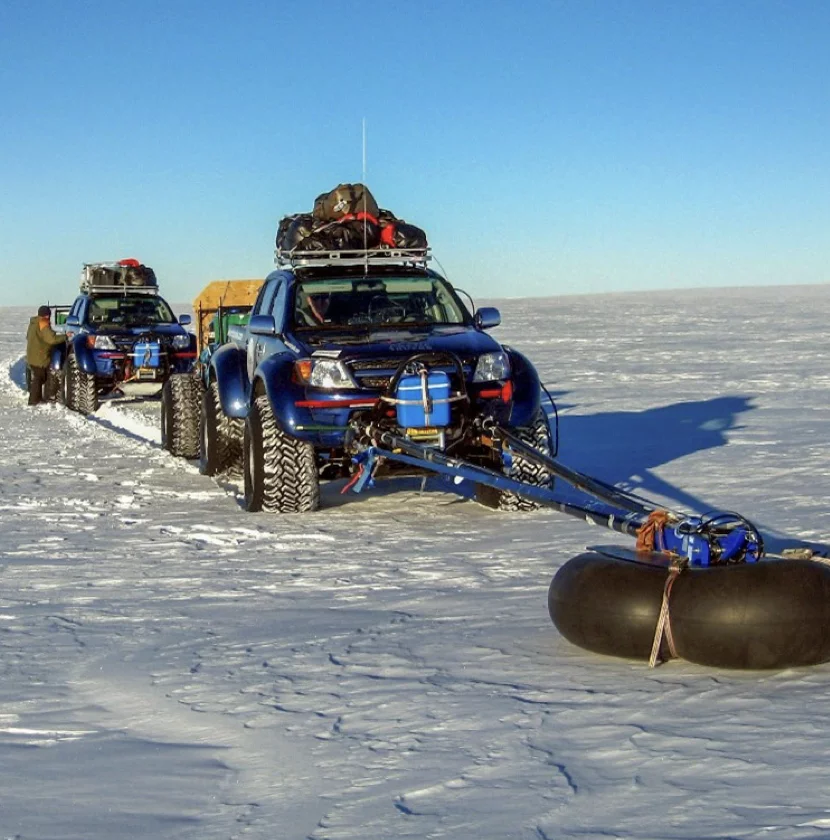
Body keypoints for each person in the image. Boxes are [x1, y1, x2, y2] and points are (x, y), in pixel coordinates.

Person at [26, 305, 66, 405]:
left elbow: (28, 337)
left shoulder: (33, 323)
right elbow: (51, 339)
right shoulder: (43, 324)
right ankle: (34, 401)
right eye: (48, 315)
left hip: (32, 355)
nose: (49, 317)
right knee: (40, 377)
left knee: (38, 377)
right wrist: (65, 336)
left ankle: (37, 398)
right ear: (46, 315)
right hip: (40, 356)